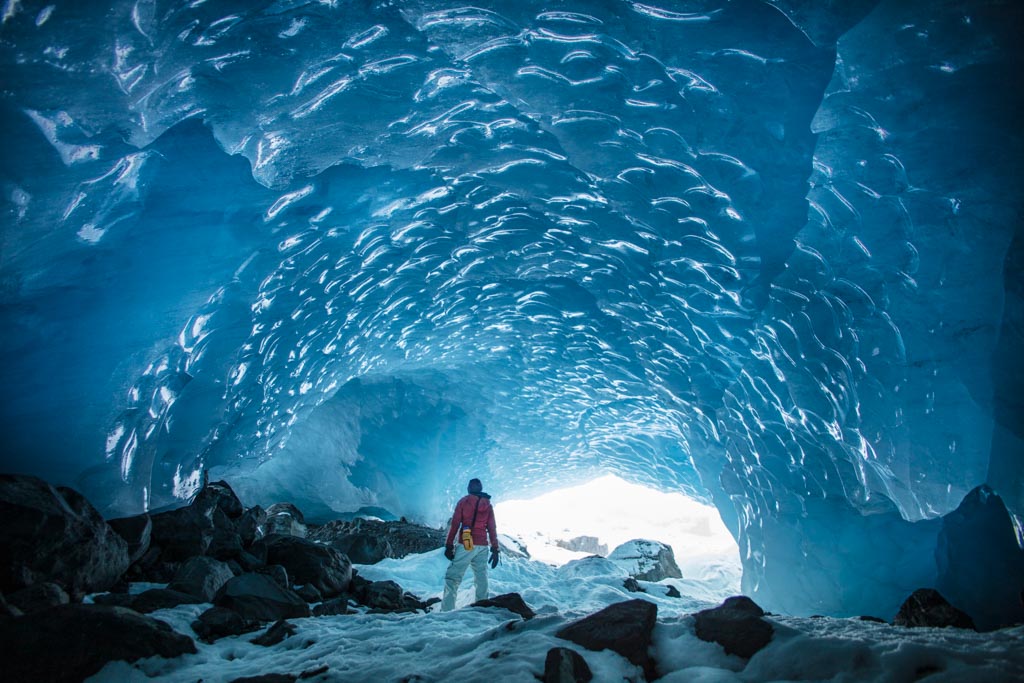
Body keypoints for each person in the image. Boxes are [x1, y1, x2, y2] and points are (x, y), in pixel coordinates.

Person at [441, 478, 499, 611]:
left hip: (467, 544)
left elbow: (455, 524)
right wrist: (495, 548)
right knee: (481, 576)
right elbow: (492, 528)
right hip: (482, 545)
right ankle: (482, 607)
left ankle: (446, 610)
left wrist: (449, 545)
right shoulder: (488, 505)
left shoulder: (464, 502)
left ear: (469, 489)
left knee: (453, 578)